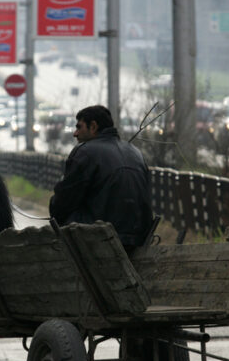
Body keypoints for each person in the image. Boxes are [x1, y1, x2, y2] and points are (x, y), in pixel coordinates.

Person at [49, 105, 153, 252]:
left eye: (79, 127)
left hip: (100, 237)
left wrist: (53, 205)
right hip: (138, 238)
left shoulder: (85, 152)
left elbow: (64, 202)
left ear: (93, 126)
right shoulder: (135, 152)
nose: (75, 133)